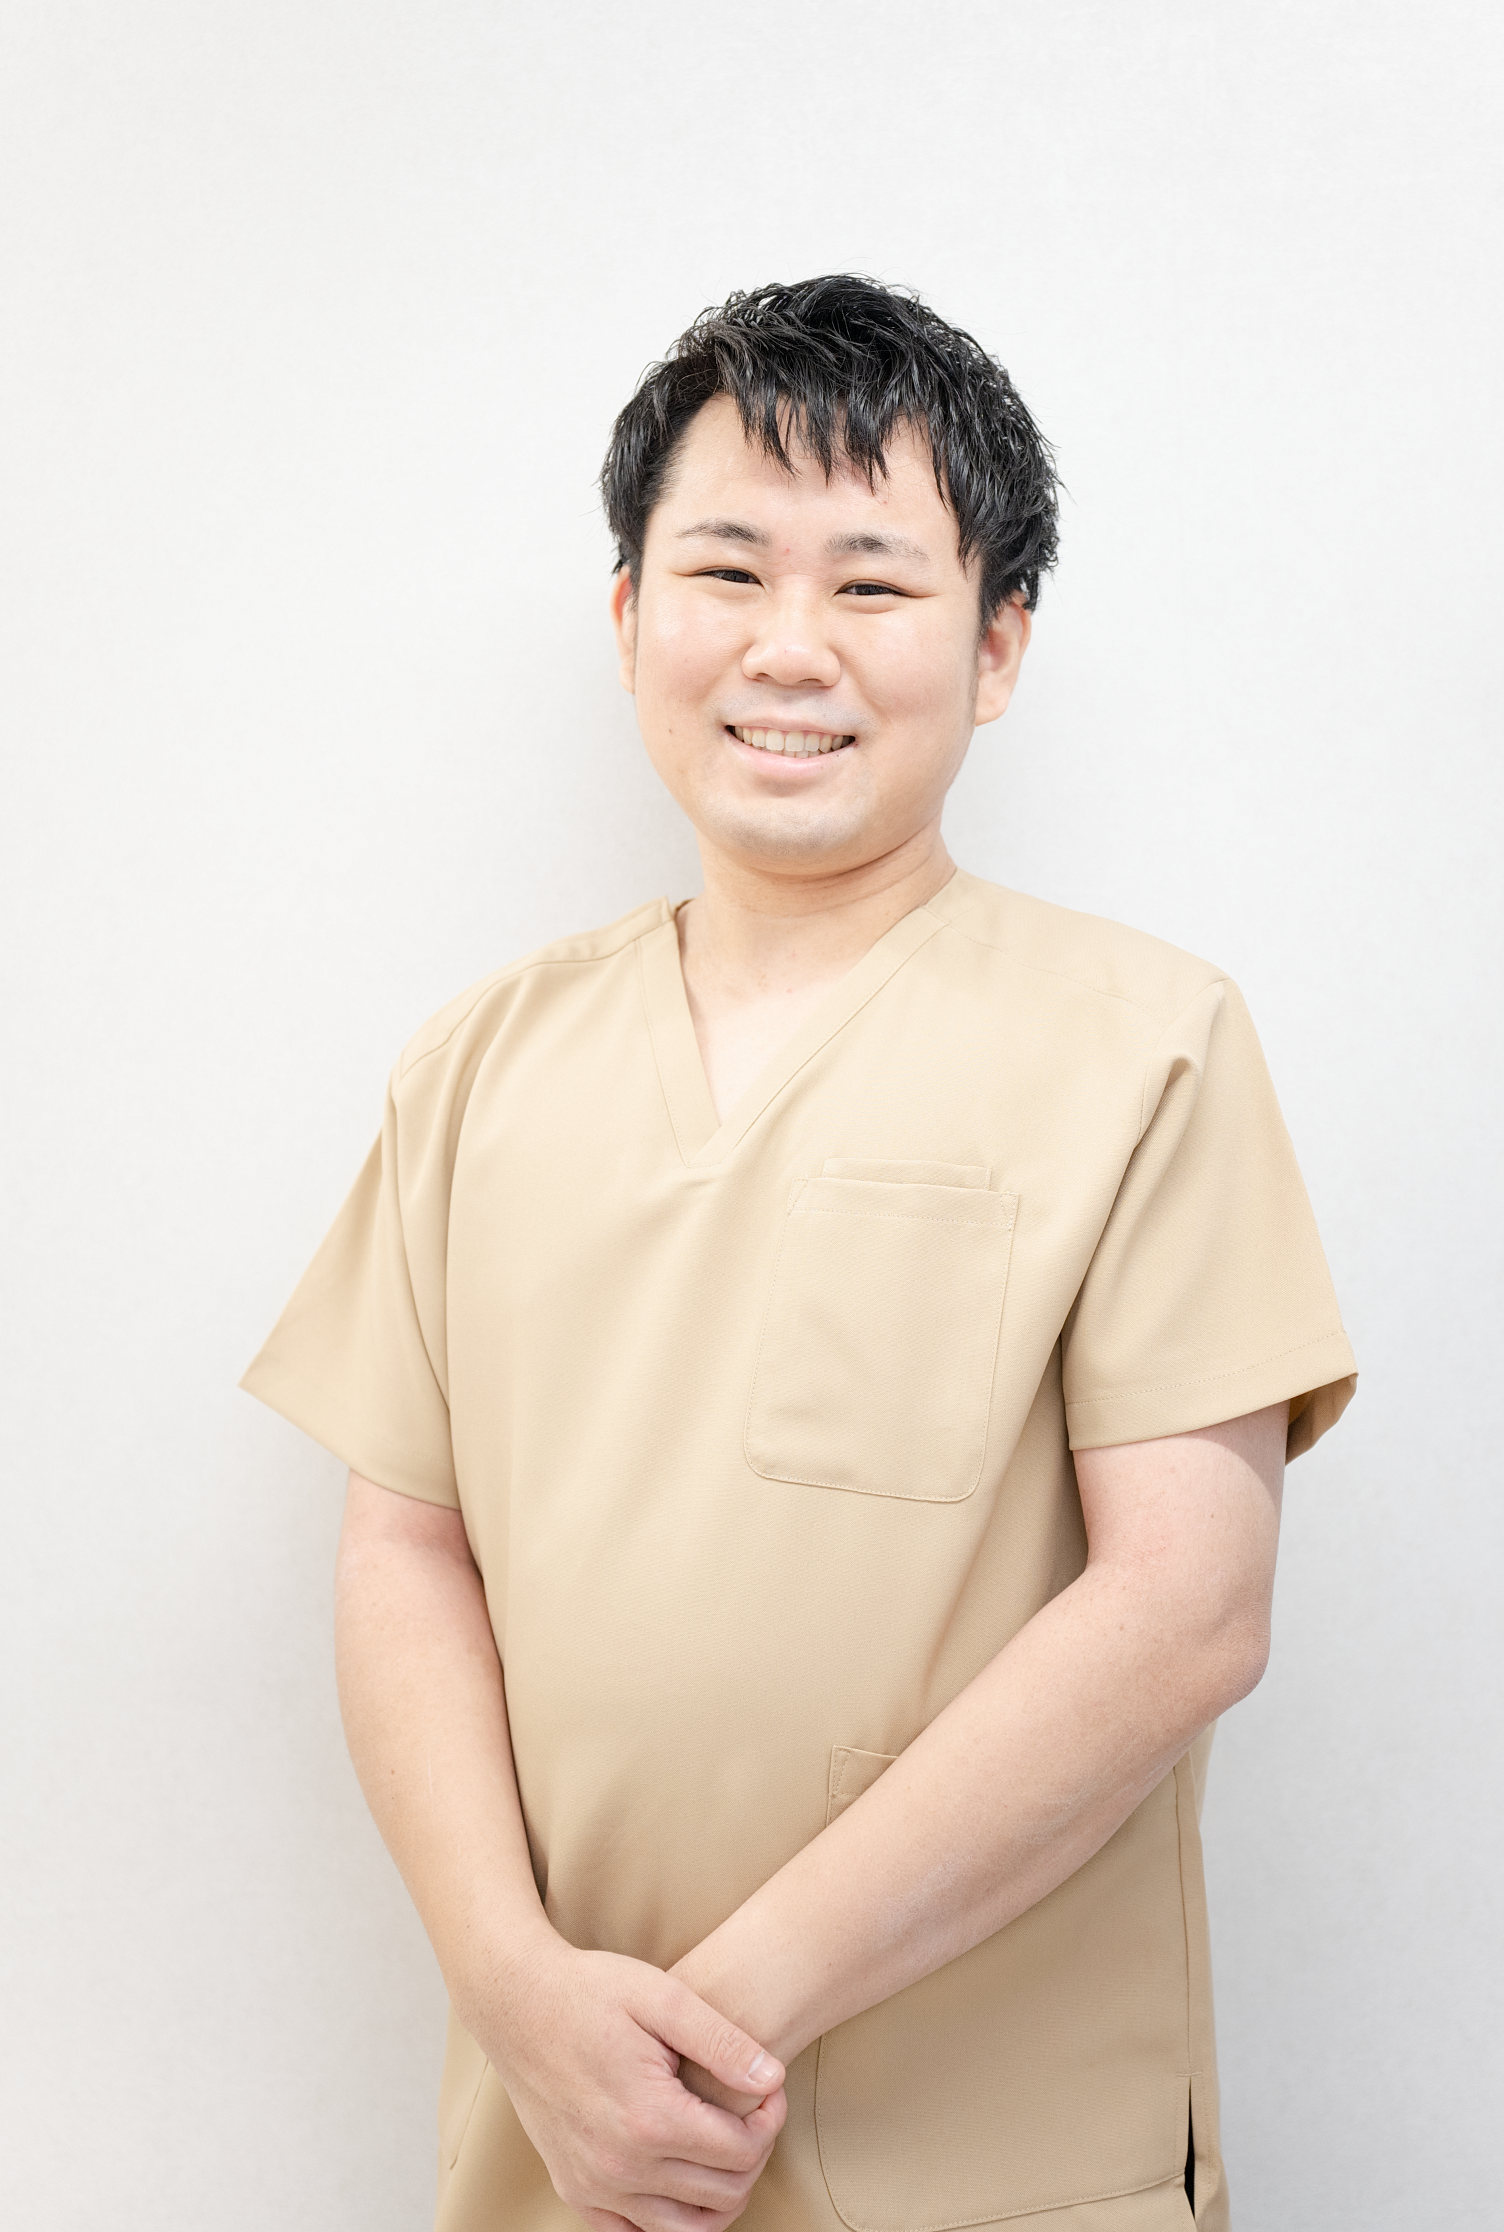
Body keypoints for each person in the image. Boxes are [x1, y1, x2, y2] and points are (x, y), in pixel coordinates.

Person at [241, 273, 1357, 2232]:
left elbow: (1187, 1609)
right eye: (726, 569)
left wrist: (699, 2039)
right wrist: (516, 1995)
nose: (787, 646)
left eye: (871, 583)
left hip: (984, 2155)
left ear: (996, 643)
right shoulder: (477, 1066)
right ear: (626, 619)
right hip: (562, 2146)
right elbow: (404, 1552)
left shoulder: (1145, 1047)